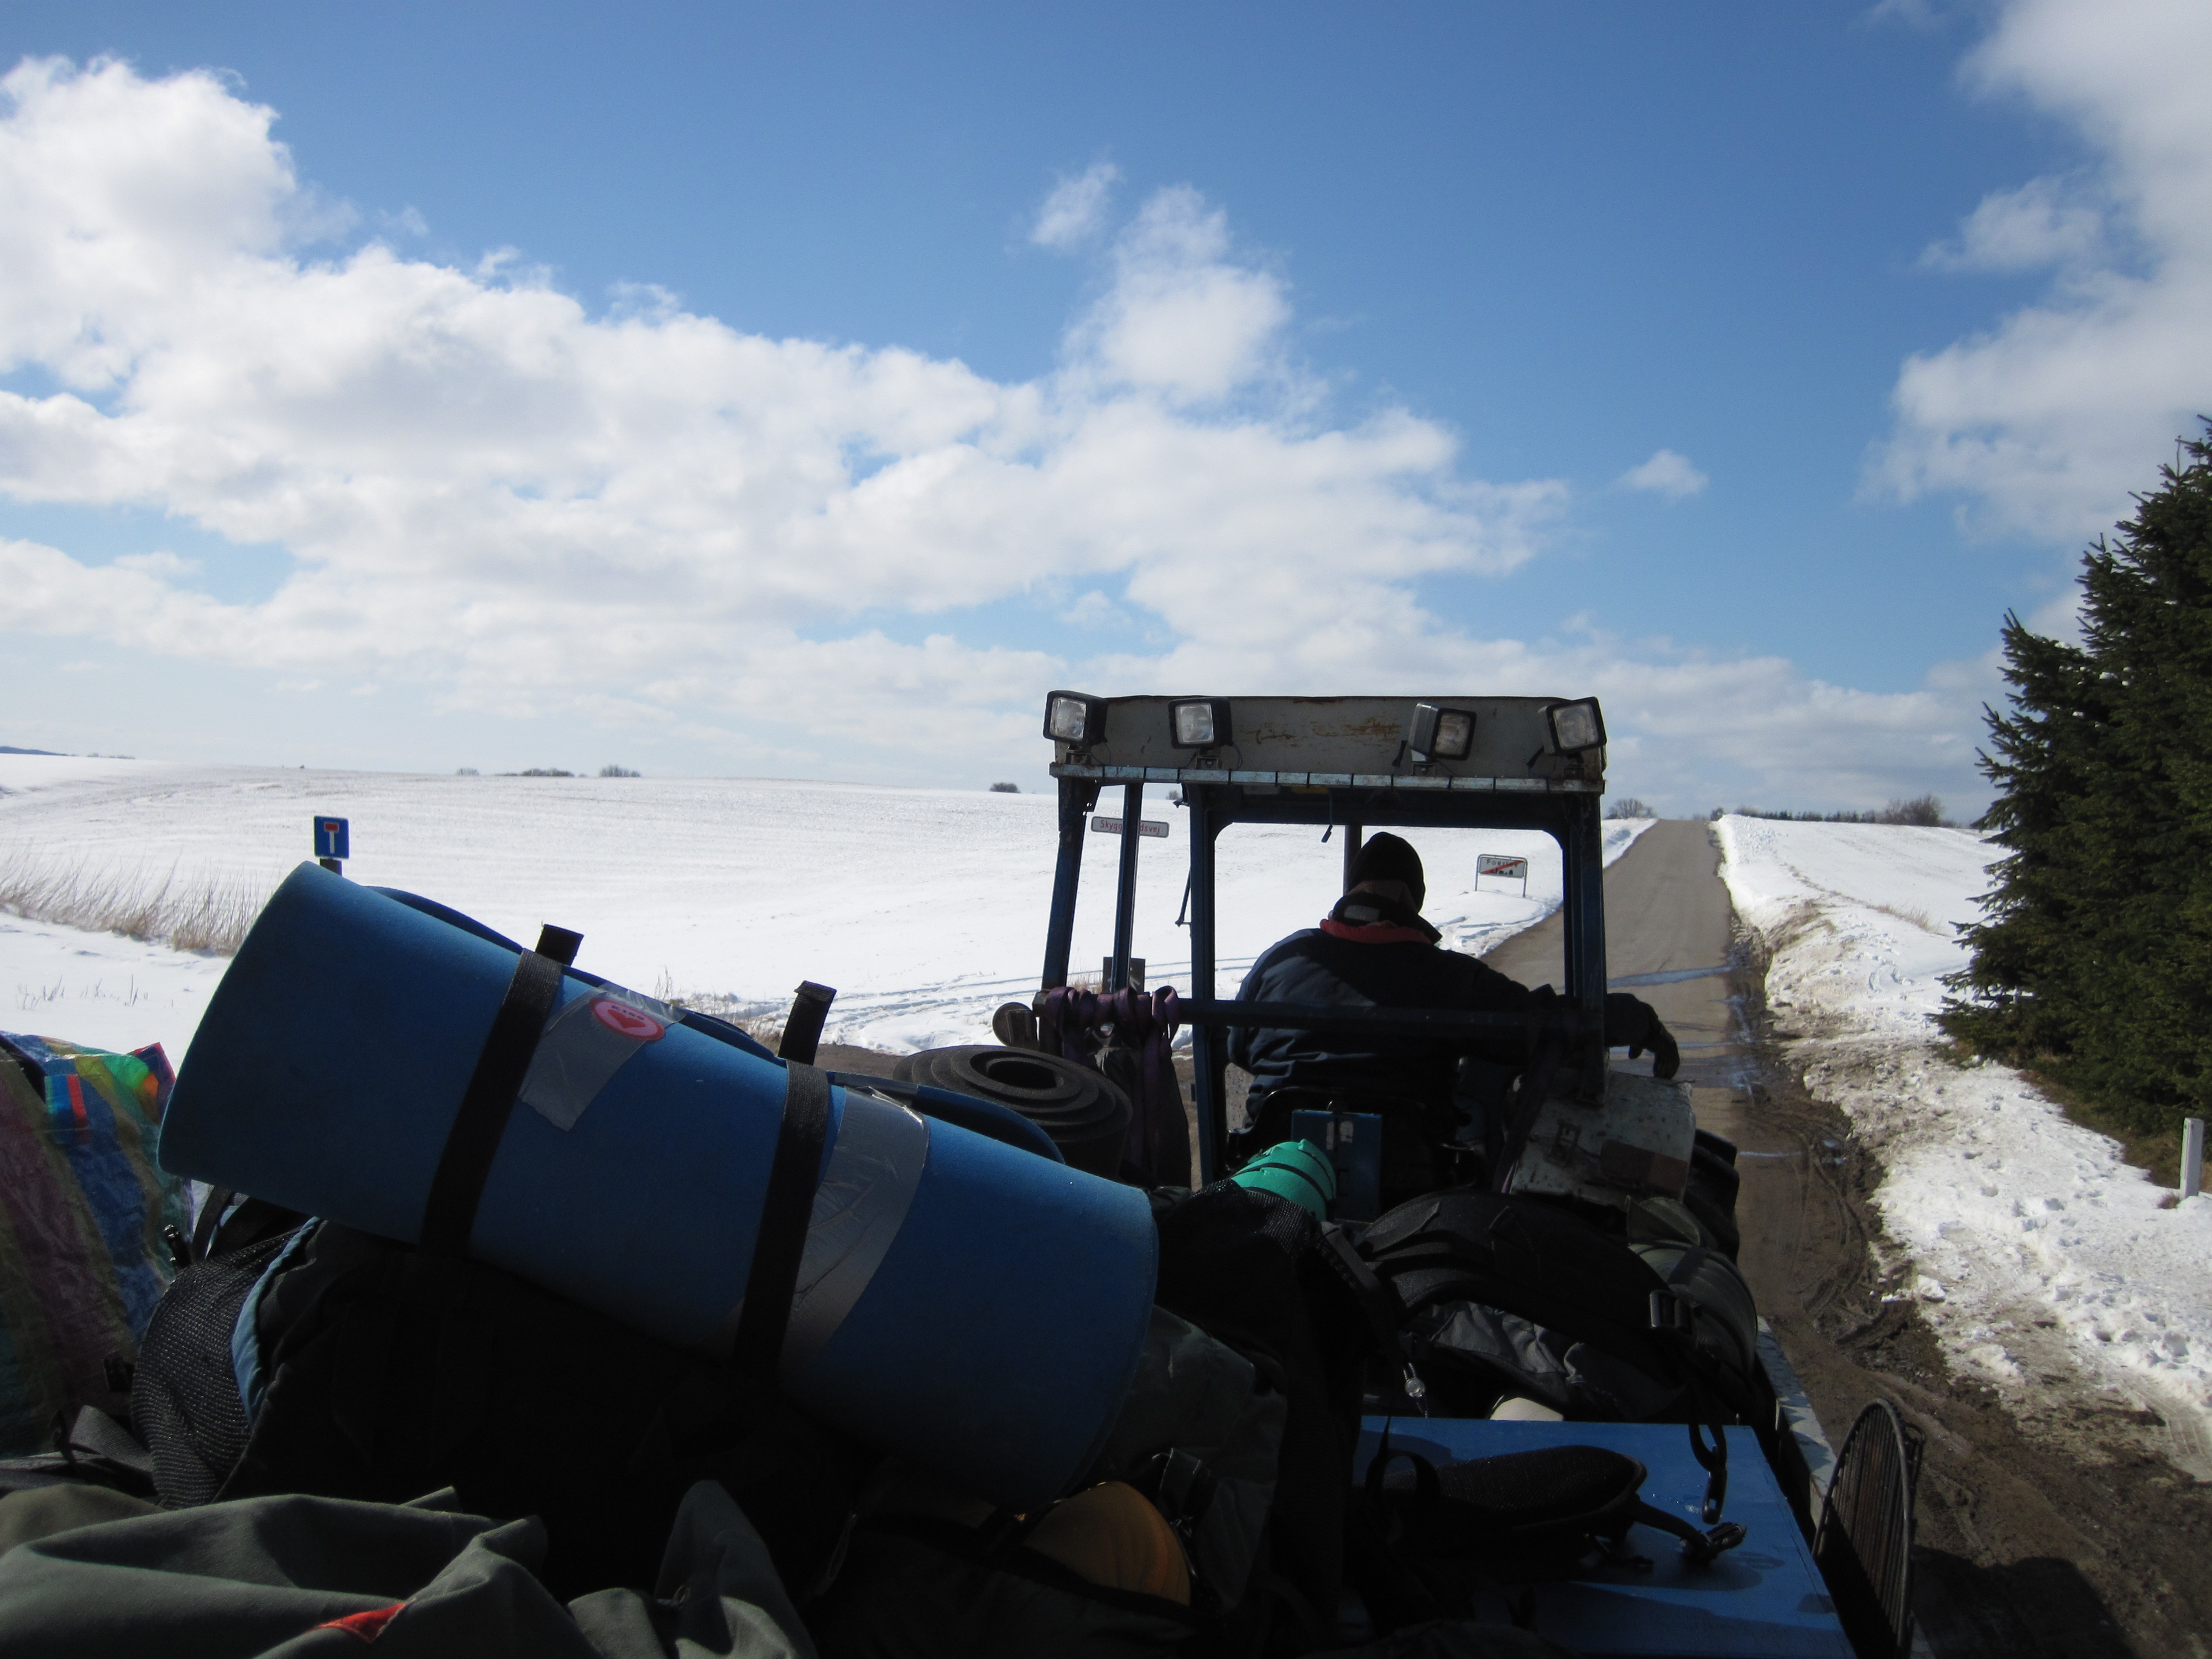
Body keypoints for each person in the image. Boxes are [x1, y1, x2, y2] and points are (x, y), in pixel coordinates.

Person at [1227, 832, 1675, 1200]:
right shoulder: (1451, 979)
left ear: (1352, 892)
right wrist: (1635, 1020)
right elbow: (1544, 1025)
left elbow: (1239, 1048)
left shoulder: (1283, 960)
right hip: (1410, 1189)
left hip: (1272, 1176)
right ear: (1411, 900)